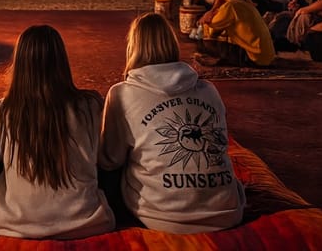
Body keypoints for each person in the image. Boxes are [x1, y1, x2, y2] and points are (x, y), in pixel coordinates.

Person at [99, 12, 245, 234]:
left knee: (109, 167)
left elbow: (110, 159)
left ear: (133, 48)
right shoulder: (209, 90)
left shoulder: (122, 94)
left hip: (163, 217)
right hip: (228, 211)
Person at [0, 24, 115, 239]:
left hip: (16, 225)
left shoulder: (1, 111)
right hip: (86, 221)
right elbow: (100, 156)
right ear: (61, 62)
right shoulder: (90, 105)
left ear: (19, 64)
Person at [197, 0, 275, 67]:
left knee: (203, 44)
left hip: (254, 57)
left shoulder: (231, 6)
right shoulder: (242, 3)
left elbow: (211, 28)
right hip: (265, 56)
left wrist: (212, 9)